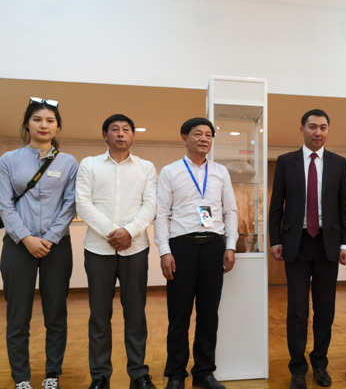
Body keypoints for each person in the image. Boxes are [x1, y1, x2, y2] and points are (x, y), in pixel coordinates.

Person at [269, 109, 346, 389]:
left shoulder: (339, 163)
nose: (318, 132)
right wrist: (275, 240)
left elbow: (345, 208)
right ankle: (297, 368)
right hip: (297, 244)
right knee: (297, 311)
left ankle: (320, 364)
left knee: (325, 310)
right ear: (302, 129)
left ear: (328, 131)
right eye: (313, 126)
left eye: (323, 127)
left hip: (328, 245)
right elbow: (276, 206)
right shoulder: (286, 161)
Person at [0, 97, 78, 389]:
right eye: (37, 119)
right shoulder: (8, 160)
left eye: (49, 120)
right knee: (17, 315)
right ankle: (21, 378)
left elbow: (70, 205)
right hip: (17, 245)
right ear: (27, 123)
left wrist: (48, 239)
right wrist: (27, 238)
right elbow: (4, 205)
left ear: (57, 126)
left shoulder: (68, 162)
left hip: (56, 246)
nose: (43, 125)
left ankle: (51, 375)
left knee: (55, 313)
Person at [75, 114, 158, 389]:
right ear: (105, 134)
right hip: (97, 249)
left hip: (136, 249)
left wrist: (129, 232)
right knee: (99, 315)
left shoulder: (146, 167)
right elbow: (83, 203)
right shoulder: (89, 164)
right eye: (115, 129)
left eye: (126, 129)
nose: (121, 134)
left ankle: (138, 373)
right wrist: (114, 232)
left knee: (136, 314)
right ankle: (100, 376)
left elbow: (150, 205)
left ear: (133, 135)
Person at [155, 117, 238, 389]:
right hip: (182, 247)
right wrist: (164, 251)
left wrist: (230, 245)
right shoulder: (170, 171)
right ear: (184, 138)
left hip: (214, 246)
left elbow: (230, 211)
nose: (204, 138)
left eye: (208, 135)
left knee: (208, 315)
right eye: (198, 133)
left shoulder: (220, 172)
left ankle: (204, 372)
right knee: (179, 315)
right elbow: (161, 214)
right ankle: (176, 374)